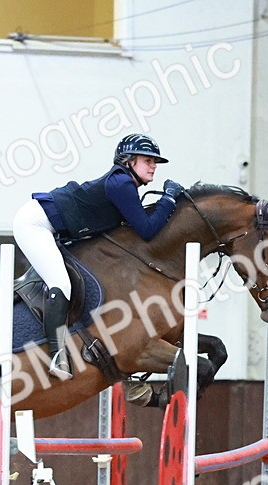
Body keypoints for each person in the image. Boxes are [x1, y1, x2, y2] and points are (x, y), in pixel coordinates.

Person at [13, 133, 184, 378]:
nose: (154, 166)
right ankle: (56, 356)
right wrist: (168, 199)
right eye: (148, 160)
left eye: (155, 161)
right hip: (35, 223)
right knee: (61, 283)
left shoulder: (124, 184)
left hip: (53, 227)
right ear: (128, 161)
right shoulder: (121, 183)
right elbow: (147, 230)